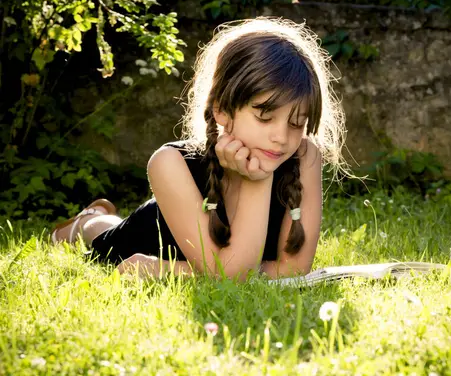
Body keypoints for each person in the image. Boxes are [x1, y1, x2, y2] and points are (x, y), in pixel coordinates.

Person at [51, 17, 349, 281]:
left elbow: (292, 270)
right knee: (102, 233)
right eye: (264, 117)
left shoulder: (305, 157)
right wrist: (256, 180)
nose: (281, 137)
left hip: (168, 259)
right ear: (221, 109)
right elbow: (235, 274)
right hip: (148, 236)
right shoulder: (169, 162)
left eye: (297, 123)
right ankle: (86, 218)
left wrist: (166, 269)